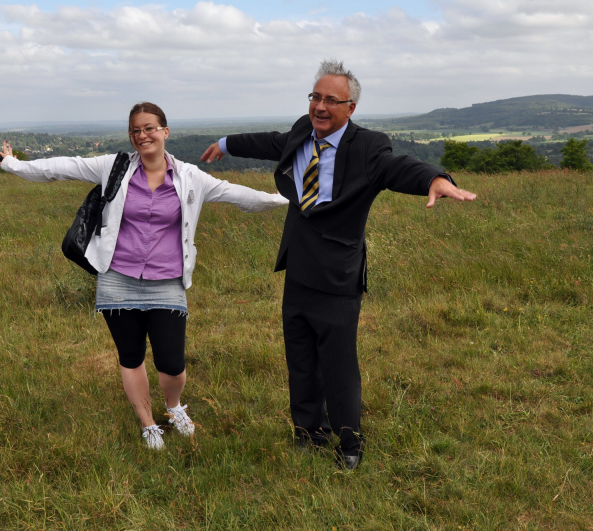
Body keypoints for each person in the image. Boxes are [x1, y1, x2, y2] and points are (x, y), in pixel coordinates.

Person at [201, 60, 476, 470]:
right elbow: (268, 142)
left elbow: (396, 167)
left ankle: (350, 444)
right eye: (316, 97)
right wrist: (225, 143)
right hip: (298, 268)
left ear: (351, 108)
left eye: (332, 100)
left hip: (337, 275)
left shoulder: (367, 146)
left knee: (338, 365)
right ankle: (308, 432)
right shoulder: (301, 132)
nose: (320, 106)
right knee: (300, 358)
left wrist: (435, 178)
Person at [0, 102, 288, 451]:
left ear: (165, 131)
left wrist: (287, 199)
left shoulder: (190, 177)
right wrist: (12, 164)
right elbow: (62, 167)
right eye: (135, 130)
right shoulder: (114, 167)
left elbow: (236, 194)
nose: (142, 135)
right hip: (118, 279)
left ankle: (174, 406)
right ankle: (148, 423)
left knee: (172, 364)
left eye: (149, 128)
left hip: (167, 283)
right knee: (130, 356)